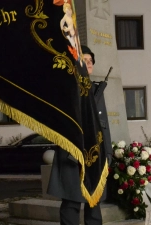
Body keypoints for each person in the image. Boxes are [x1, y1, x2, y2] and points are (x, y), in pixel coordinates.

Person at [47, 45, 112, 225]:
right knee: (71, 201)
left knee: (94, 202)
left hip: (96, 154)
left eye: (91, 61)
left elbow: (103, 126)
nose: (88, 63)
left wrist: (108, 153)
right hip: (73, 153)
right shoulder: (67, 88)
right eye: (85, 60)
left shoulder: (97, 90)